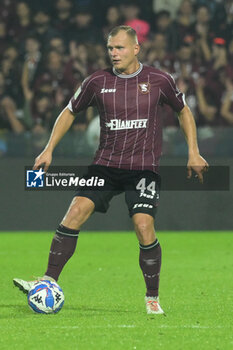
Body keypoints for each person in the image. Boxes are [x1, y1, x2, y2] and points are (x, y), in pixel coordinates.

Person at [13, 26, 208, 315]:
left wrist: (193, 151)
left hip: (143, 168)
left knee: (143, 227)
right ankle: (47, 281)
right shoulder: (96, 81)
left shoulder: (159, 80)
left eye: (120, 48)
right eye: (110, 48)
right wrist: (48, 148)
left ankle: (152, 297)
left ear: (136, 48)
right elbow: (69, 111)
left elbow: (183, 111)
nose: (114, 53)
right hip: (105, 165)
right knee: (75, 212)